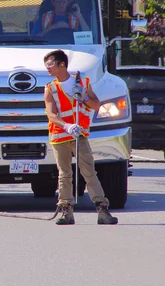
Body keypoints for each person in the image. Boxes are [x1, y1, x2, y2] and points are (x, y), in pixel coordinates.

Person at [43, 49, 118, 225]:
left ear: (62, 65)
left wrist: (83, 96)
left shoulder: (83, 83)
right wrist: (67, 126)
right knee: (64, 174)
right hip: (60, 136)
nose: (48, 68)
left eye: (50, 64)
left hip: (80, 136)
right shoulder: (50, 88)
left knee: (89, 172)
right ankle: (66, 211)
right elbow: (51, 114)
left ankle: (102, 210)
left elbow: (96, 105)